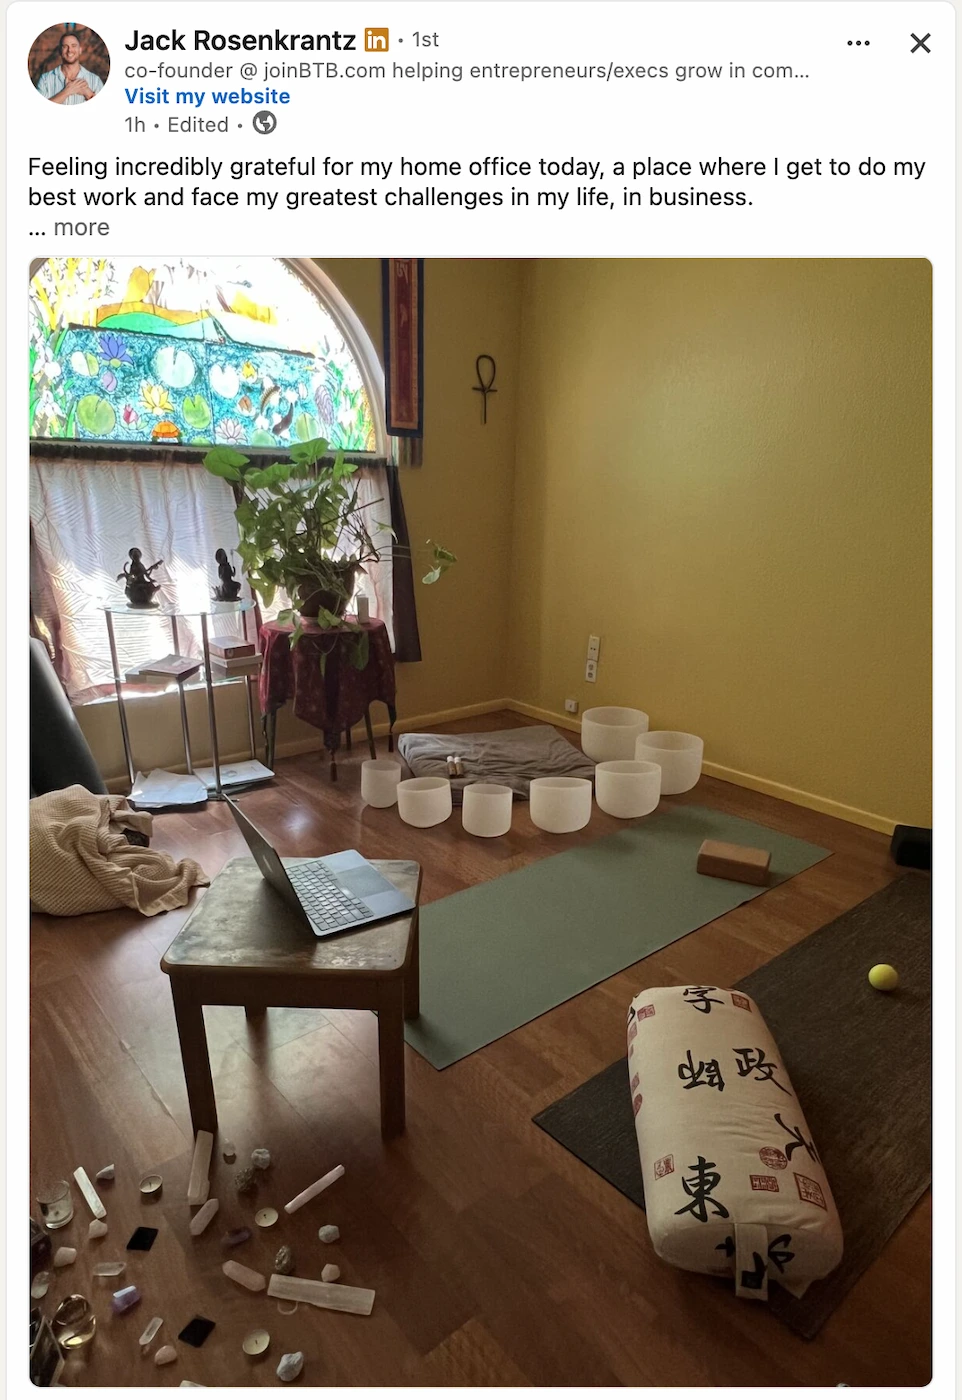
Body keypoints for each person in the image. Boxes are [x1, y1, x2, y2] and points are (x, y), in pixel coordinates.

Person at [36, 32, 104, 105]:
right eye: (65, 46)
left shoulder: (95, 81)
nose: (69, 50)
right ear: (59, 51)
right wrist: (68, 91)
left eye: (73, 46)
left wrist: (89, 94)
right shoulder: (45, 80)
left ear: (80, 50)